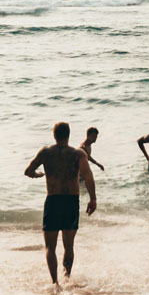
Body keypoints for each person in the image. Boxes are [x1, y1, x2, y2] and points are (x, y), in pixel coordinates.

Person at [24, 122, 97, 285]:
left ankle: (55, 283)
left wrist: (38, 175)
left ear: (54, 135)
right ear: (68, 134)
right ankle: (67, 278)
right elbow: (88, 176)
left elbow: (28, 171)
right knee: (69, 246)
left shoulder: (45, 152)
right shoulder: (78, 154)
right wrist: (93, 199)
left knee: (50, 247)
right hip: (71, 201)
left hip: (53, 201)